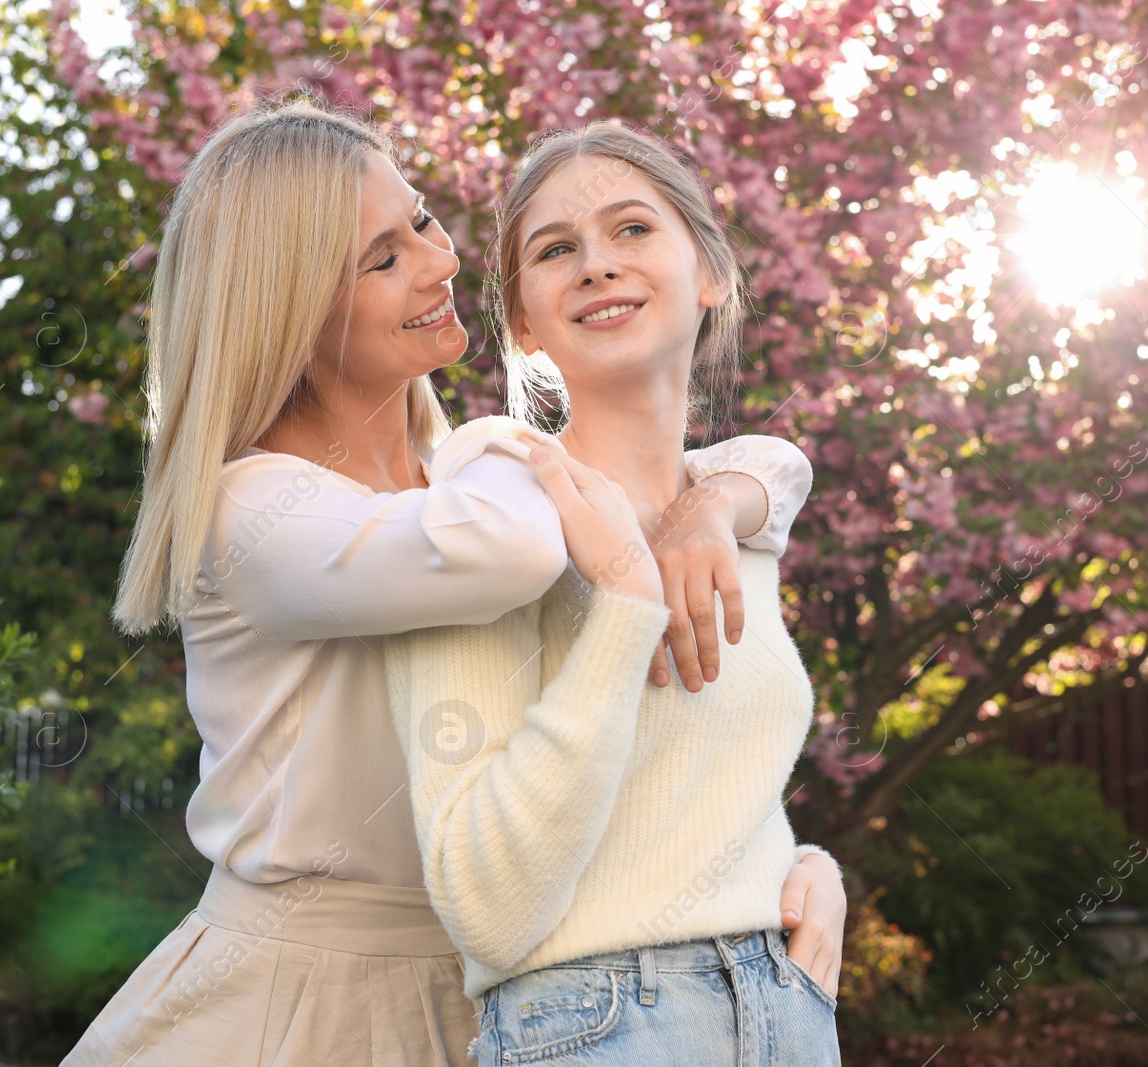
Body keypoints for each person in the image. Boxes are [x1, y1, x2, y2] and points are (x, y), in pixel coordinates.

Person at [62, 101, 842, 1067]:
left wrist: (719, 498)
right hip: (305, 996)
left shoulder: (457, 483)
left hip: (508, 988)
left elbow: (648, 759)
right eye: (379, 260)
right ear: (287, 307)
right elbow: (522, 544)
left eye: (422, 220)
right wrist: (670, 481)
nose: (439, 264)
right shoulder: (266, 511)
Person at [384, 123, 841, 1067]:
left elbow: (705, 790)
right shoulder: (496, 504)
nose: (597, 265)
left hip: (787, 1008)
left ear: (709, 272)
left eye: (632, 229)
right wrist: (626, 612)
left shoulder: (729, 519)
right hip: (597, 1023)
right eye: (557, 250)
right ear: (522, 322)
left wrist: (805, 870)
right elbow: (486, 908)